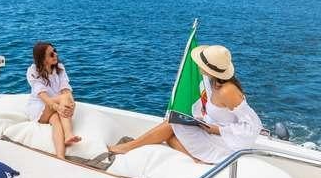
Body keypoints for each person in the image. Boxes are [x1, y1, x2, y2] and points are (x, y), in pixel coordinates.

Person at [108, 45, 262, 164]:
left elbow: (253, 126)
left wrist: (217, 130)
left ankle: (128, 147)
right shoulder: (212, 82)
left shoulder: (227, 91)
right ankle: (197, 160)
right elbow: (219, 113)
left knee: (171, 124)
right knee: (170, 137)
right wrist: (201, 122)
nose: (198, 65)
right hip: (213, 132)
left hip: (226, 142)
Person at [26, 42, 81, 158]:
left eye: (55, 51)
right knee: (63, 99)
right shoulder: (33, 71)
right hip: (39, 107)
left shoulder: (59, 68)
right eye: (51, 54)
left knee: (56, 119)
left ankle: (60, 156)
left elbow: (65, 88)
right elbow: (43, 96)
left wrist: (71, 103)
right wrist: (58, 107)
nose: (55, 54)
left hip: (55, 105)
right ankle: (69, 134)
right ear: (42, 58)